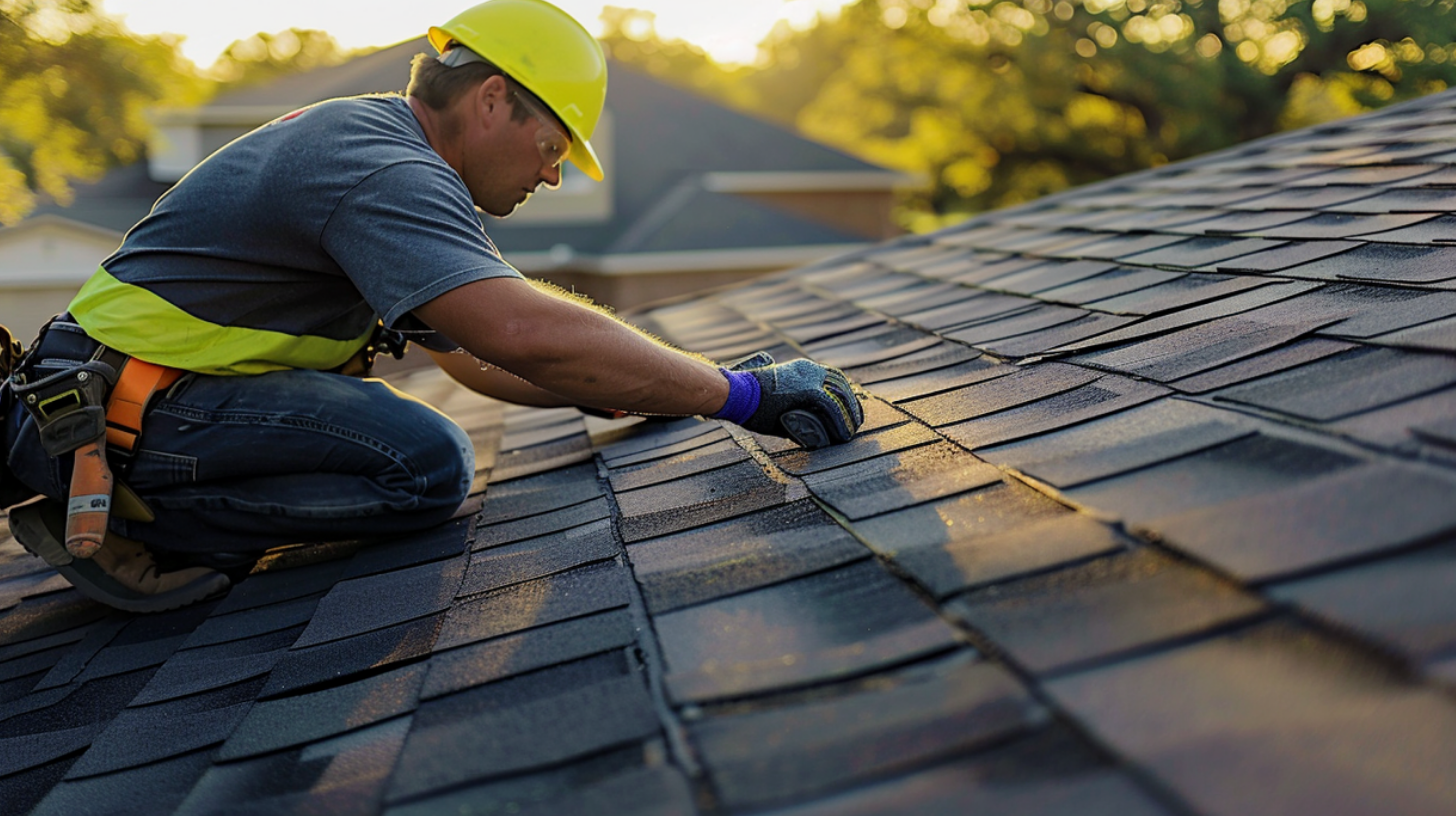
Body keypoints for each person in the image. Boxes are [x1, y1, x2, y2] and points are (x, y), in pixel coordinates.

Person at [0, 0, 862, 613]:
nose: (553, 173)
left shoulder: (381, 148)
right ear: (492, 100)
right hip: (111, 416)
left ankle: (149, 500)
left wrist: (629, 384)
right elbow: (516, 329)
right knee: (423, 462)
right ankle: (139, 520)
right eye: (552, 145)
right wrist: (741, 394)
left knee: (427, 440)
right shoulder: (385, 172)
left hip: (128, 396)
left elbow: (475, 357)